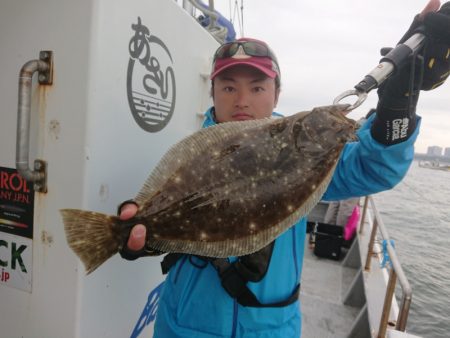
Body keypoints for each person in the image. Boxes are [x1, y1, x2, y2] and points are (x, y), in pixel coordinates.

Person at [118, 1, 450, 337]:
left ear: (277, 95)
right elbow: (156, 218)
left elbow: (375, 167)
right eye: (229, 87)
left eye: (258, 87)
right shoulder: (193, 158)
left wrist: (397, 103)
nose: (242, 100)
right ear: (213, 92)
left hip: (270, 329)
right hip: (183, 327)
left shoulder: (305, 154)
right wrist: (140, 239)